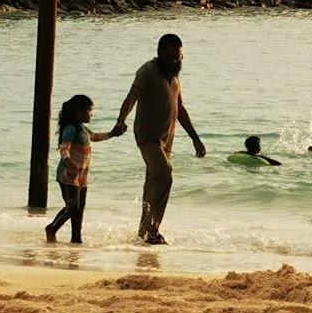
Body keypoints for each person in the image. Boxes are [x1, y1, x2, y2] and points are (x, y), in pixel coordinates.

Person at [115, 33, 206, 245]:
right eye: (170, 56)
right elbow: (132, 97)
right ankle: (152, 229)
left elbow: (180, 110)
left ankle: (143, 231)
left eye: (179, 57)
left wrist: (195, 138)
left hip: (167, 141)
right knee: (165, 175)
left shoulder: (174, 77)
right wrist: (120, 121)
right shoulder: (147, 71)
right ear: (159, 53)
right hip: (147, 136)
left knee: (152, 183)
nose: (175, 61)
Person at [45, 95, 121, 243]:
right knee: (73, 207)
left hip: (81, 176)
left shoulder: (83, 129)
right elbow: (64, 148)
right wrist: (69, 162)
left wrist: (112, 134)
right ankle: (52, 228)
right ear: (78, 112)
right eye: (89, 111)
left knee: (79, 208)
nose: (91, 114)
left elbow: (95, 137)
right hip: (68, 175)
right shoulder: (70, 129)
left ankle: (76, 238)